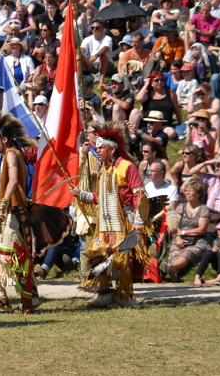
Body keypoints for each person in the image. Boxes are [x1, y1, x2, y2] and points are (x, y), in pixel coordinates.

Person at [70, 122, 150, 307]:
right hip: (105, 223)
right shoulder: (103, 170)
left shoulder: (127, 167)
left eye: (101, 148)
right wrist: (82, 194)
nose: (98, 151)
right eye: (97, 148)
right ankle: (105, 294)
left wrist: (139, 220)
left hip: (124, 221)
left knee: (121, 260)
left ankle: (125, 297)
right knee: (97, 255)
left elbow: (139, 194)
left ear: (112, 150)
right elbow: (101, 196)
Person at [0, 112, 41, 313]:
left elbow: (14, 181)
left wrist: (2, 204)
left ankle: (30, 298)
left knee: (10, 258)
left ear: (5, 139)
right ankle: (0, 301)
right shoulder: (7, 155)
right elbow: (9, 185)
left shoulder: (11, 154)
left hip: (11, 214)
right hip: (6, 213)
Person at [162, 179, 210, 282]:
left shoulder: (204, 209)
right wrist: (178, 237)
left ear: (199, 194)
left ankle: (170, 268)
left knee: (187, 253)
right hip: (181, 238)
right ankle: (173, 272)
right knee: (176, 253)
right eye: (186, 190)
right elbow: (175, 225)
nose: (187, 193)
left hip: (198, 240)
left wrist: (183, 232)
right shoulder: (181, 207)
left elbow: (201, 230)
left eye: (191, 191)